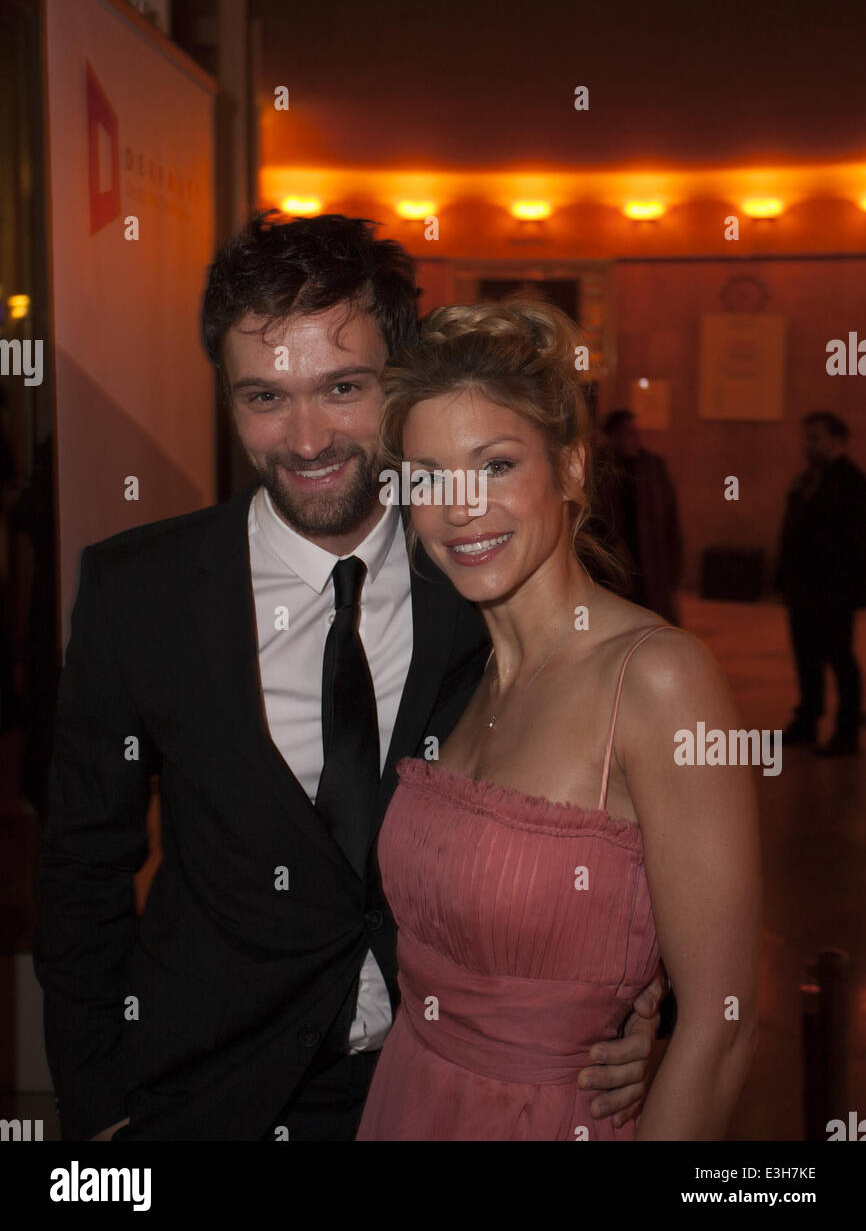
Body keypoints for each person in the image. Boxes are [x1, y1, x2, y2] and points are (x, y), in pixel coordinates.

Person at [34, 214, 664, 1142]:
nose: (306, 437)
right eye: (264, 397)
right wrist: (97, 1108)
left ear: (399, 383)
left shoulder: (484, 575)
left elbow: (622, 816)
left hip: (434, 1083)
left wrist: (642, 1002)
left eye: (342, 388)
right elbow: (83, 867)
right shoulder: (141, 593)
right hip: (203, 1092)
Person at [356, 298, 760, 1141]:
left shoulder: (657, 681)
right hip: (411, 1099)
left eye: (496, 464)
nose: (459, 509)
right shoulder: (462, 676)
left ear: (571, 468)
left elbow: (721, 1027)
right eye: (427, 477)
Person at [776, 411, 866, 757]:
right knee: (806, 656)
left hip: (833, 590)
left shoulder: (853, 483)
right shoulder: (807, 480)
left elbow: (854, 543)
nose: (808, 444)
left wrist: (845, 588)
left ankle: (846, 731)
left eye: (816, 437)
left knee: (839, 658)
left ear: (837, 440)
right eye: (807, 436)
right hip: (804, 587)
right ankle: (807, 721)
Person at [599, 409, 683, 625]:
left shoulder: (653, 467)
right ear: (612, 437)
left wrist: (673, 566)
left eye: (636, 432)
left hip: (650, 563)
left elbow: (670, 519)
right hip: (617, 566)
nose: (634, 438)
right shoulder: (600, 470)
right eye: (627, 433)